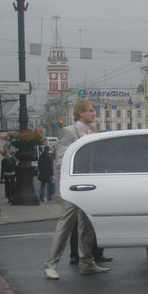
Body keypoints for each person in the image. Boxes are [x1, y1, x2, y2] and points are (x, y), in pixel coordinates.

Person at [44, 99, 110, 280]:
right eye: (89, 110)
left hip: (87, 186)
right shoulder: (69, 131)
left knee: (86, 225)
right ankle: (51, 264)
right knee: (66, 224)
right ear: (80, 113)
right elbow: (60, 159)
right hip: (73, 187)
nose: (93, 113)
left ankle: (87, 263)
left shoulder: (89, 132)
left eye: (93, 110)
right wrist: (67, 182)